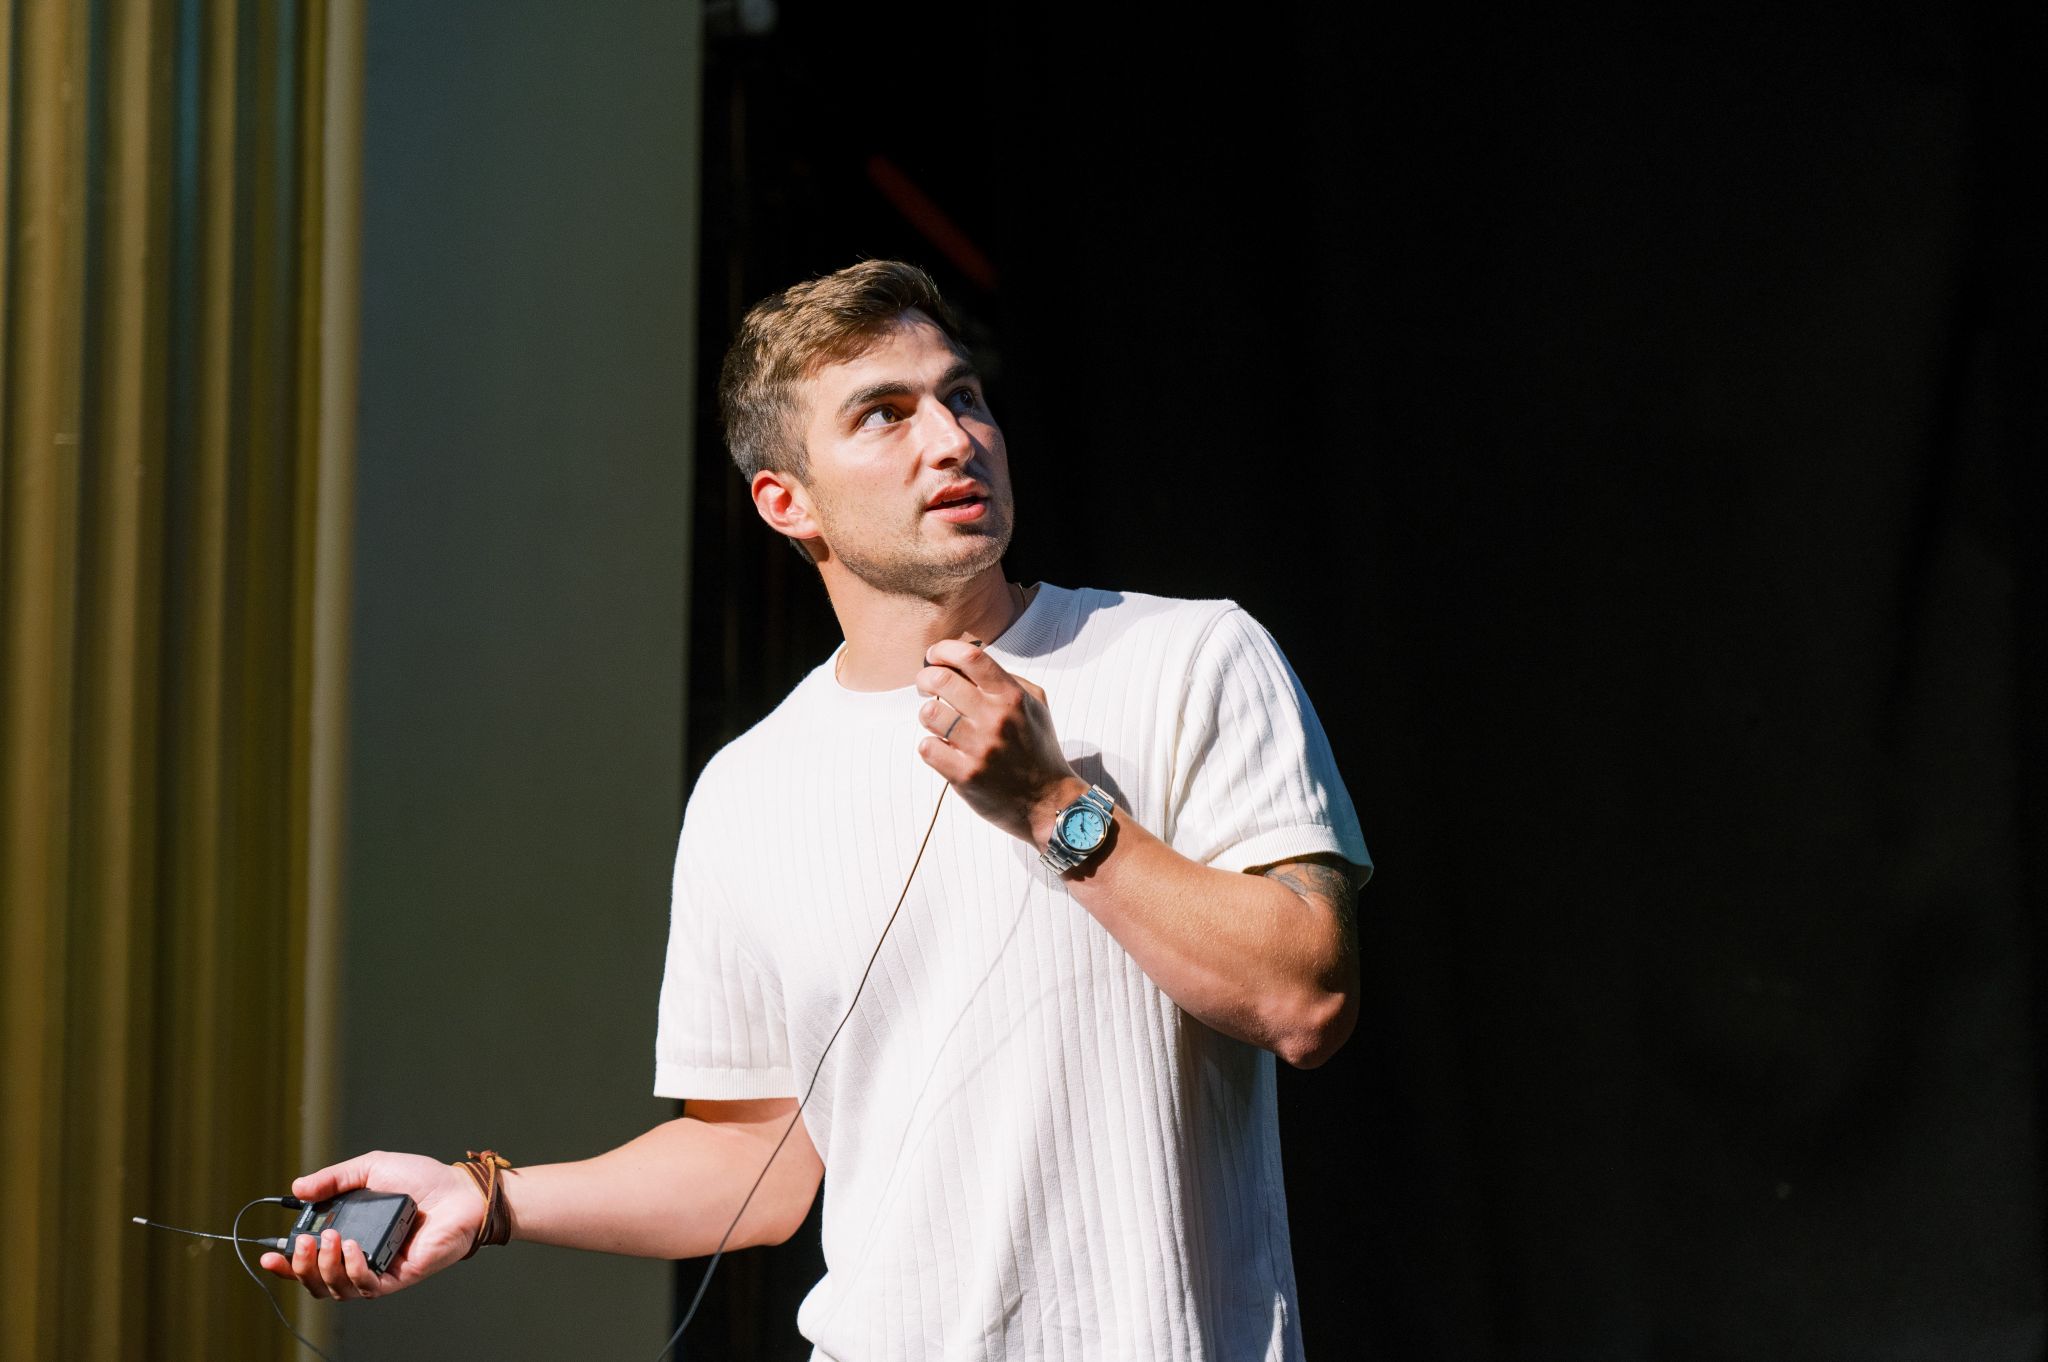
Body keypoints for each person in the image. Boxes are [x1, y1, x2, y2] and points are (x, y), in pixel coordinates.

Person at [264, 260, 1371, 1359]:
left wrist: (1050, 804)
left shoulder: (1187, 656)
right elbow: (755, 1166)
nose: (951, 439)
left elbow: (1304, 996)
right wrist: (485, 1198)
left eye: (962, 396)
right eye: (883, 415)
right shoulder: (750, 787)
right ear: (786, 503)